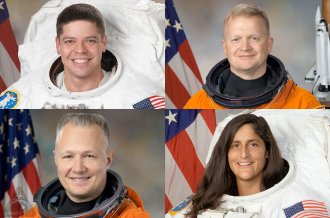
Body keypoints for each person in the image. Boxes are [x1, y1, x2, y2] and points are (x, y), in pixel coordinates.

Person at [0, 2, 164, 109]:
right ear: (58, 45)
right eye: (70, 41)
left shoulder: (141, 101)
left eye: (90, 41)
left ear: (103, 43)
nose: (80, 50)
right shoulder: (23, 96)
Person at [166, 113, 330, 217]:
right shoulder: (199, 205)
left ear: (267, 151)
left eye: (253, 144)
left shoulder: (295, 206)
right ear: (226, 154)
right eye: (235, 145)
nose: (244, 154)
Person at [184, 4, 321, 109]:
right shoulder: (198, 104)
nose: (245, 47)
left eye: (254, 38)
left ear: (268, 44)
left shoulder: (303, 103)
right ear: (225, 47)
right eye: (236, 39)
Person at [21, 113, 150, 217]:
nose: (78, 168)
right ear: (56, 159)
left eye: (89, 156)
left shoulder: (131, 216)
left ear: (108, 160)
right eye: (68, 156)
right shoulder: (33, 216)